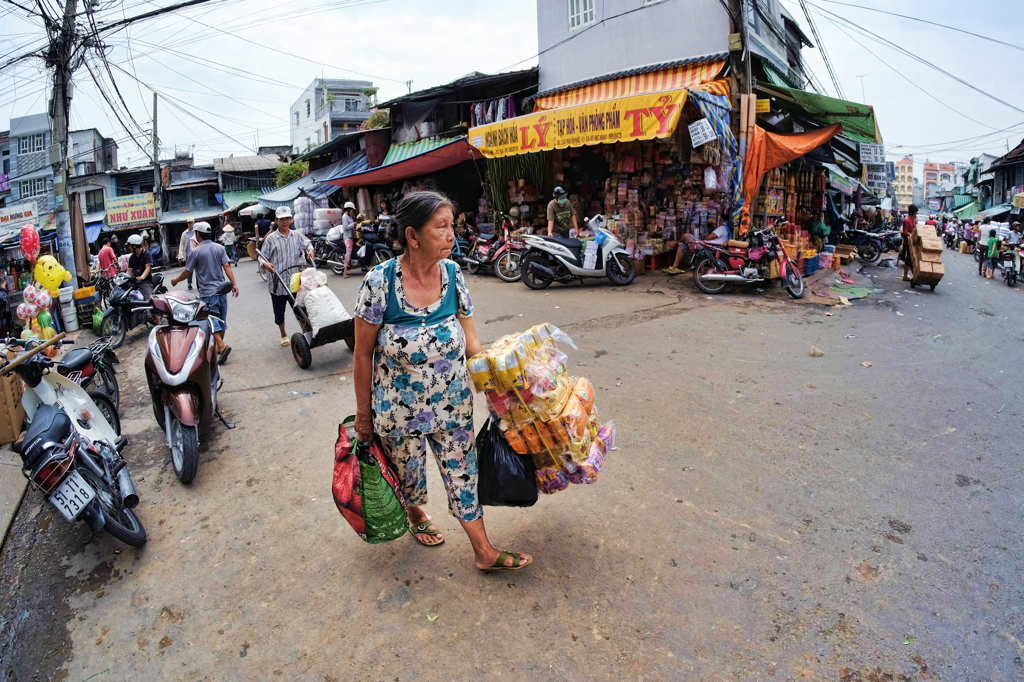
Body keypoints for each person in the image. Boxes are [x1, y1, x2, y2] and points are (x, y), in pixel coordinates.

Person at [352, 190, 532, 571]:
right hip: (397, 411)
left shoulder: (453, 275)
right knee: (407, 475)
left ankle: (483, 550)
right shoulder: (379, 282)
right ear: (413, 236)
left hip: (452, 405)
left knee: (464, 473)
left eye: (452, 225)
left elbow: (471, 342)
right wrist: (363, 417)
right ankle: (416, 514)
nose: (452, 235)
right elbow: (363, 353)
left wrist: (504, 385)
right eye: (441, 227)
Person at [171, 221, 239, 365]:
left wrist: (176, 280)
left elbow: (187, 272)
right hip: (222, 291)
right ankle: (218, 350)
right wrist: (233, 284)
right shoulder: (219, 248)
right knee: (221, 320)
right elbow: (227, 266)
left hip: (209, 294)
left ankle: (221, 346)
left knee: (211, 322)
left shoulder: (195, 252)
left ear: (198, 234)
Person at [259, 206, 314, 347]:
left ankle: (308, 333)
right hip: (278, 282)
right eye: (282, 219)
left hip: (294, 280)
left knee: (301, 309)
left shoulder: (296, 235)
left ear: (291, 219)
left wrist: (310, 250)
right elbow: (262, 257)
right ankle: (283, 334)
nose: (285, 222)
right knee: (279, 313)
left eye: (287, 219)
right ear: (276, 220)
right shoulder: (270, 239)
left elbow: (307, 243)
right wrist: (265, 264)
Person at [125, 234, 154, 300]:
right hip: (135, 281)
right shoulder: (132, 257)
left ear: (134, 246)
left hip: (145, 281)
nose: (129, 247)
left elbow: (148, 268)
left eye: (130, 246)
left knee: (148, 300)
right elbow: (129, 271)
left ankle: (150, 310)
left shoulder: (147, 254)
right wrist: (123, 277)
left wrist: (142, 277)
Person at [899, 204, 918, 282]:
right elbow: (905, 232)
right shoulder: (907, 220)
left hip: (914, 243)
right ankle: (906, 276)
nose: (916, 214)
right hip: (908, 243)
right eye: (916, 213)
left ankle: (915, 276)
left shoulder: (914, 220)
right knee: (909, 260)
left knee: (912, 260)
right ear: (914, 213)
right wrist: (912, 235)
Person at [177, 217, 198, 290]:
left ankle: (200, 283)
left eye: (191, 222)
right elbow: (182, 245)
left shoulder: (197, 232)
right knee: (189, 271)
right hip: (189, 255)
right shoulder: (185, 233)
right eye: (188, 223)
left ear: (194, 223)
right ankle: (189, 283)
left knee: (199, 270)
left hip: (198, 254)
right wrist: (181, 255)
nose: (190, 224)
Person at [341, 201, 357, 278]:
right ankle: (345, 272)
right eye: (352, 210)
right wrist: (353, 224)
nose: (352, 212)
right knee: (349, 252)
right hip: (347, 238)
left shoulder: (349, 217)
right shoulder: (344, 217)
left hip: (351, 236)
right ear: (348, 209)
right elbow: (345, 227)